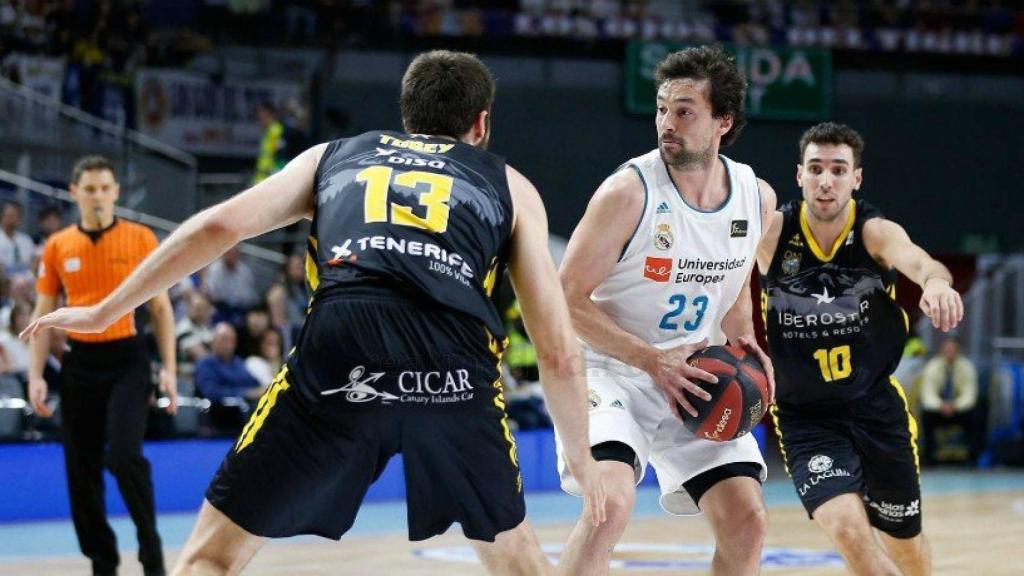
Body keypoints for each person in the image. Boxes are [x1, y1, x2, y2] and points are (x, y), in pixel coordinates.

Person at [24, 50, 609, 576]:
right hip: (453, 371)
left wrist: (105, 309)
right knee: (521, 565)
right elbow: (556, 350)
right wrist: (580, 458)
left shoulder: (335, 155)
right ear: (481, 125)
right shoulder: (509, 185)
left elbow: (221, 226)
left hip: (341, 352)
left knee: (209, 559)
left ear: (405, 116)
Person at [557, 45, 776, 575]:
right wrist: (652, 360)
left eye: (684, 111)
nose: (666, 123)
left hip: (696, 376)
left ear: (723, 121)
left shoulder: (757, 198)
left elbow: (736, 285)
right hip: (612, 372)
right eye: (662, 109)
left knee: (747, 519)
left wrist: (746, 341)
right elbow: (563, 299)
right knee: (609, 508)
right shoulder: (627, 192)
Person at [758, 122, 963, 576]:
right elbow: (722, 267)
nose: (825, 180)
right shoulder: (771, 233)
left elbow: (922, 262)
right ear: (799, 176)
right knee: (848, 531)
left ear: (856, 178)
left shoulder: (875, 233)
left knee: (904, 541)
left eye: (837, 168)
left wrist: (935, 283)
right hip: (805, 416)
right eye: (815, 168)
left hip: (875, 409)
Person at [27, 155, 178, 576]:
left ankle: (151, 547)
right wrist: (36, 375)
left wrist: (168, 368)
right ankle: (102, 561)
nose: (97, 196)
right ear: (74, 193)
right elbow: (43, 314)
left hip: (127, 359)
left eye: (104, 188)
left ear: (116, 192)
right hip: (79, 365)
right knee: (80, 469)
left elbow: (161, 310)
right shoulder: (57, 246)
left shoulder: (141, 239)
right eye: (89, 189)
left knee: (125, 455)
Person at [919, 336, 977, 464]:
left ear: (958, 351)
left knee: (975, 416)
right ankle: (929, 458)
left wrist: (954, 406)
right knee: (926, 416)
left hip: (959, 410)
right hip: (937, 410)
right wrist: (941, 406)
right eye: (947, 349)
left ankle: (973, 458)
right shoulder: (932, 367)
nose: (950, 352)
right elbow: (927, 394)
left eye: (953, 349)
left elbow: (969, 395)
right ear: (941, 350)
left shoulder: (967, 367)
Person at [0, 200, 36, 277]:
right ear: (2, 217)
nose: (12, 219)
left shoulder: (26, 240)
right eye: (9, 215)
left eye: (16, 216)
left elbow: (33, 265)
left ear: (20, 220)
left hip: (26, 282)